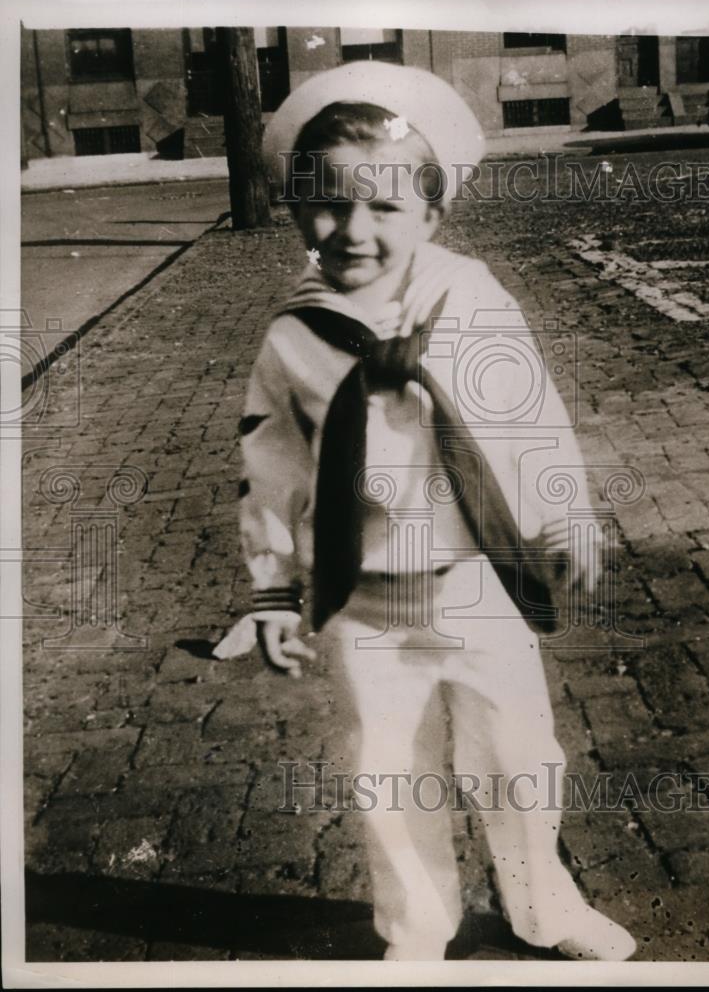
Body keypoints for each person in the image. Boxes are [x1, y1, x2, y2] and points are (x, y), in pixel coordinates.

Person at [215, 61, 637, 963]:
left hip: (475, 579)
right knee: (388, 771)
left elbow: (529, 411)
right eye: (325, 203)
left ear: (433, 214)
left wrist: (563, 512)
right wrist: (271, 591)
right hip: (363, 604)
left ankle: (543, 908)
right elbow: (270, 461)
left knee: (519, 756)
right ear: (293, 208)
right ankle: (416, 929)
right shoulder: (294, 335)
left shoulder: (470, 299)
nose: (352, 229)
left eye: (385, 207)